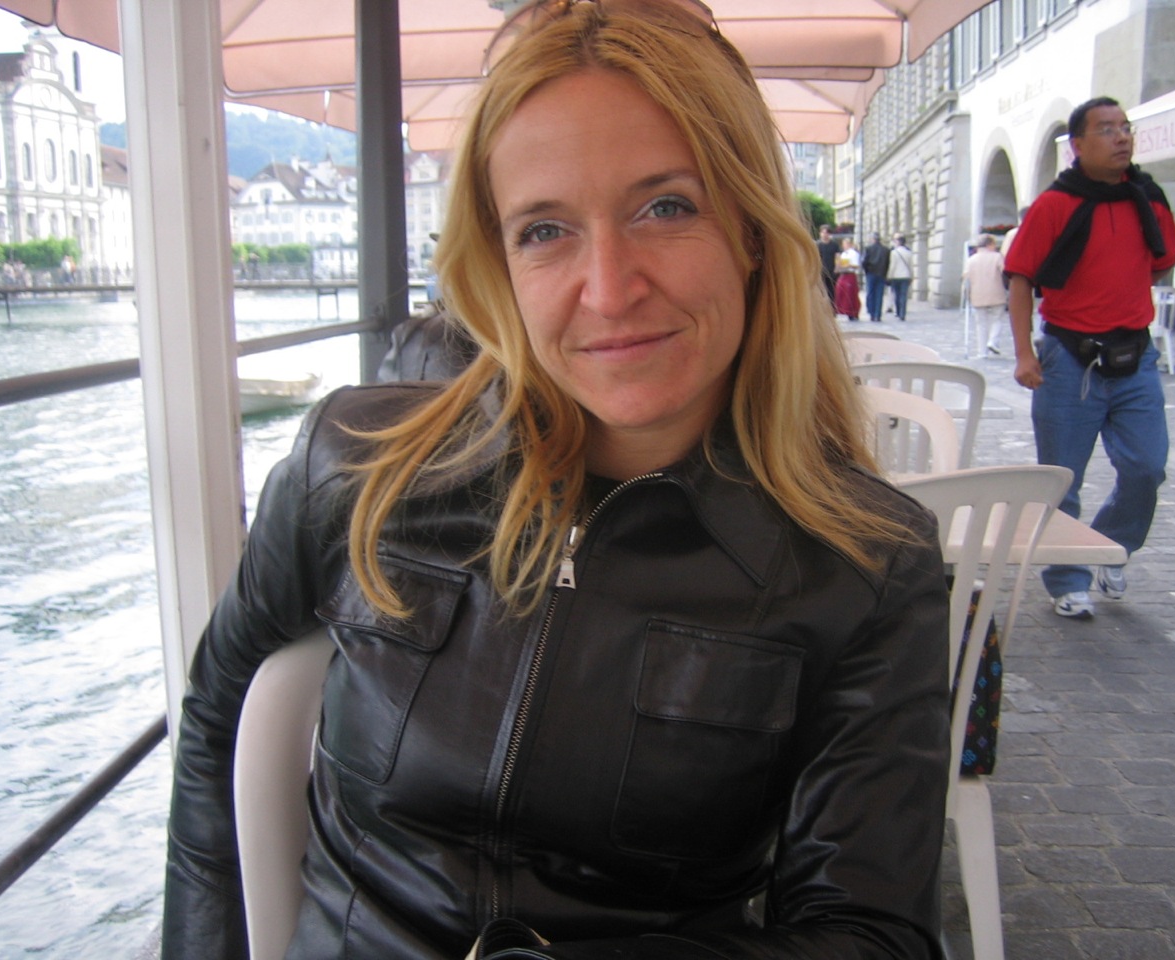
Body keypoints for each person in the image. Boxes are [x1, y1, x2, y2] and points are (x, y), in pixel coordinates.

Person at [162, 3, 951, 959]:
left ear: (750, 228)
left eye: (666, 206)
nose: (610, 289)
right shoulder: (358, 463)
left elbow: (868, 936)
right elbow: (217, 709)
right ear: (496, 266)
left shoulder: (865, 566)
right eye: (545, 230)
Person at [1003, 96, 1175, 619]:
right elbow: (1020, 280)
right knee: (1062, 479)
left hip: (1134, 360)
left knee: (1147, 467)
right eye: (1107, 129)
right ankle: (1067, 579)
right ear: (1078, 146)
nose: (1121, 136)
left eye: (1125, 127)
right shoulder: (1054, 205)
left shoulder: (1149, 199)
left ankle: (1112, 545)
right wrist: (1022, 355)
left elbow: (1160, 263)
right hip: (1068, 361)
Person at [963, 234, 1007, 357]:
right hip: (996, 292)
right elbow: (1005, 272)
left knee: (980, 323)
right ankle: (993, 341)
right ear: (989, 245)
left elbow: (966, 278)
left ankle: (982, 352)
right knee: (997, 319)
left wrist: (966, 294)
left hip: (977, 294)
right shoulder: (997, 257)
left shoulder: (971, 259)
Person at [862, 230, 890, 322]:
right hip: (881, 274)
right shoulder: (886, 250)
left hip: (871, 273)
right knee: (879, 295)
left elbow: (864, 262)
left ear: (873, 239)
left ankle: (872, 313)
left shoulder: (869, 249)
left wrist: (866, 271)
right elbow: (887, 263)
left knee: (870, 293)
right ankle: (878, 314)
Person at [833, 236, 862, 320]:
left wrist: (847, 265)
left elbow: (856, 265)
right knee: (840, 292)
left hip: (850, 274)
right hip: (843, 274)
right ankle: (841, 309)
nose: (845, 245)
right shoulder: (843, 254)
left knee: (850, 294)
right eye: (844, 244)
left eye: (846, 244)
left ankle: (852, 312)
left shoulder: (853, 253)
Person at [887, 234, 913, 320]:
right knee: (903, 295)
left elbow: (892, 266)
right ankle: (903, 313)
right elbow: (910, 266)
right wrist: (912, 275)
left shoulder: (894, 252)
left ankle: (898, 312)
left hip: (896, 276)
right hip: (905, 276)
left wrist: (889, 276)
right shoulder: (908, 252)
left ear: (898, 242)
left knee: (897, 295)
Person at [815, 222, 839, 307]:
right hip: (821, 271)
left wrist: (837, 268)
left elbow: (837, 257)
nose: (825, 235)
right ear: (820, 233)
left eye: (827, 233)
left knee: (831, 291)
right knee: (821, 290)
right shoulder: (817, 245)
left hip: (832, 270)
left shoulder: (834, 245)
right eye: (823, 232)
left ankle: (832, 308)